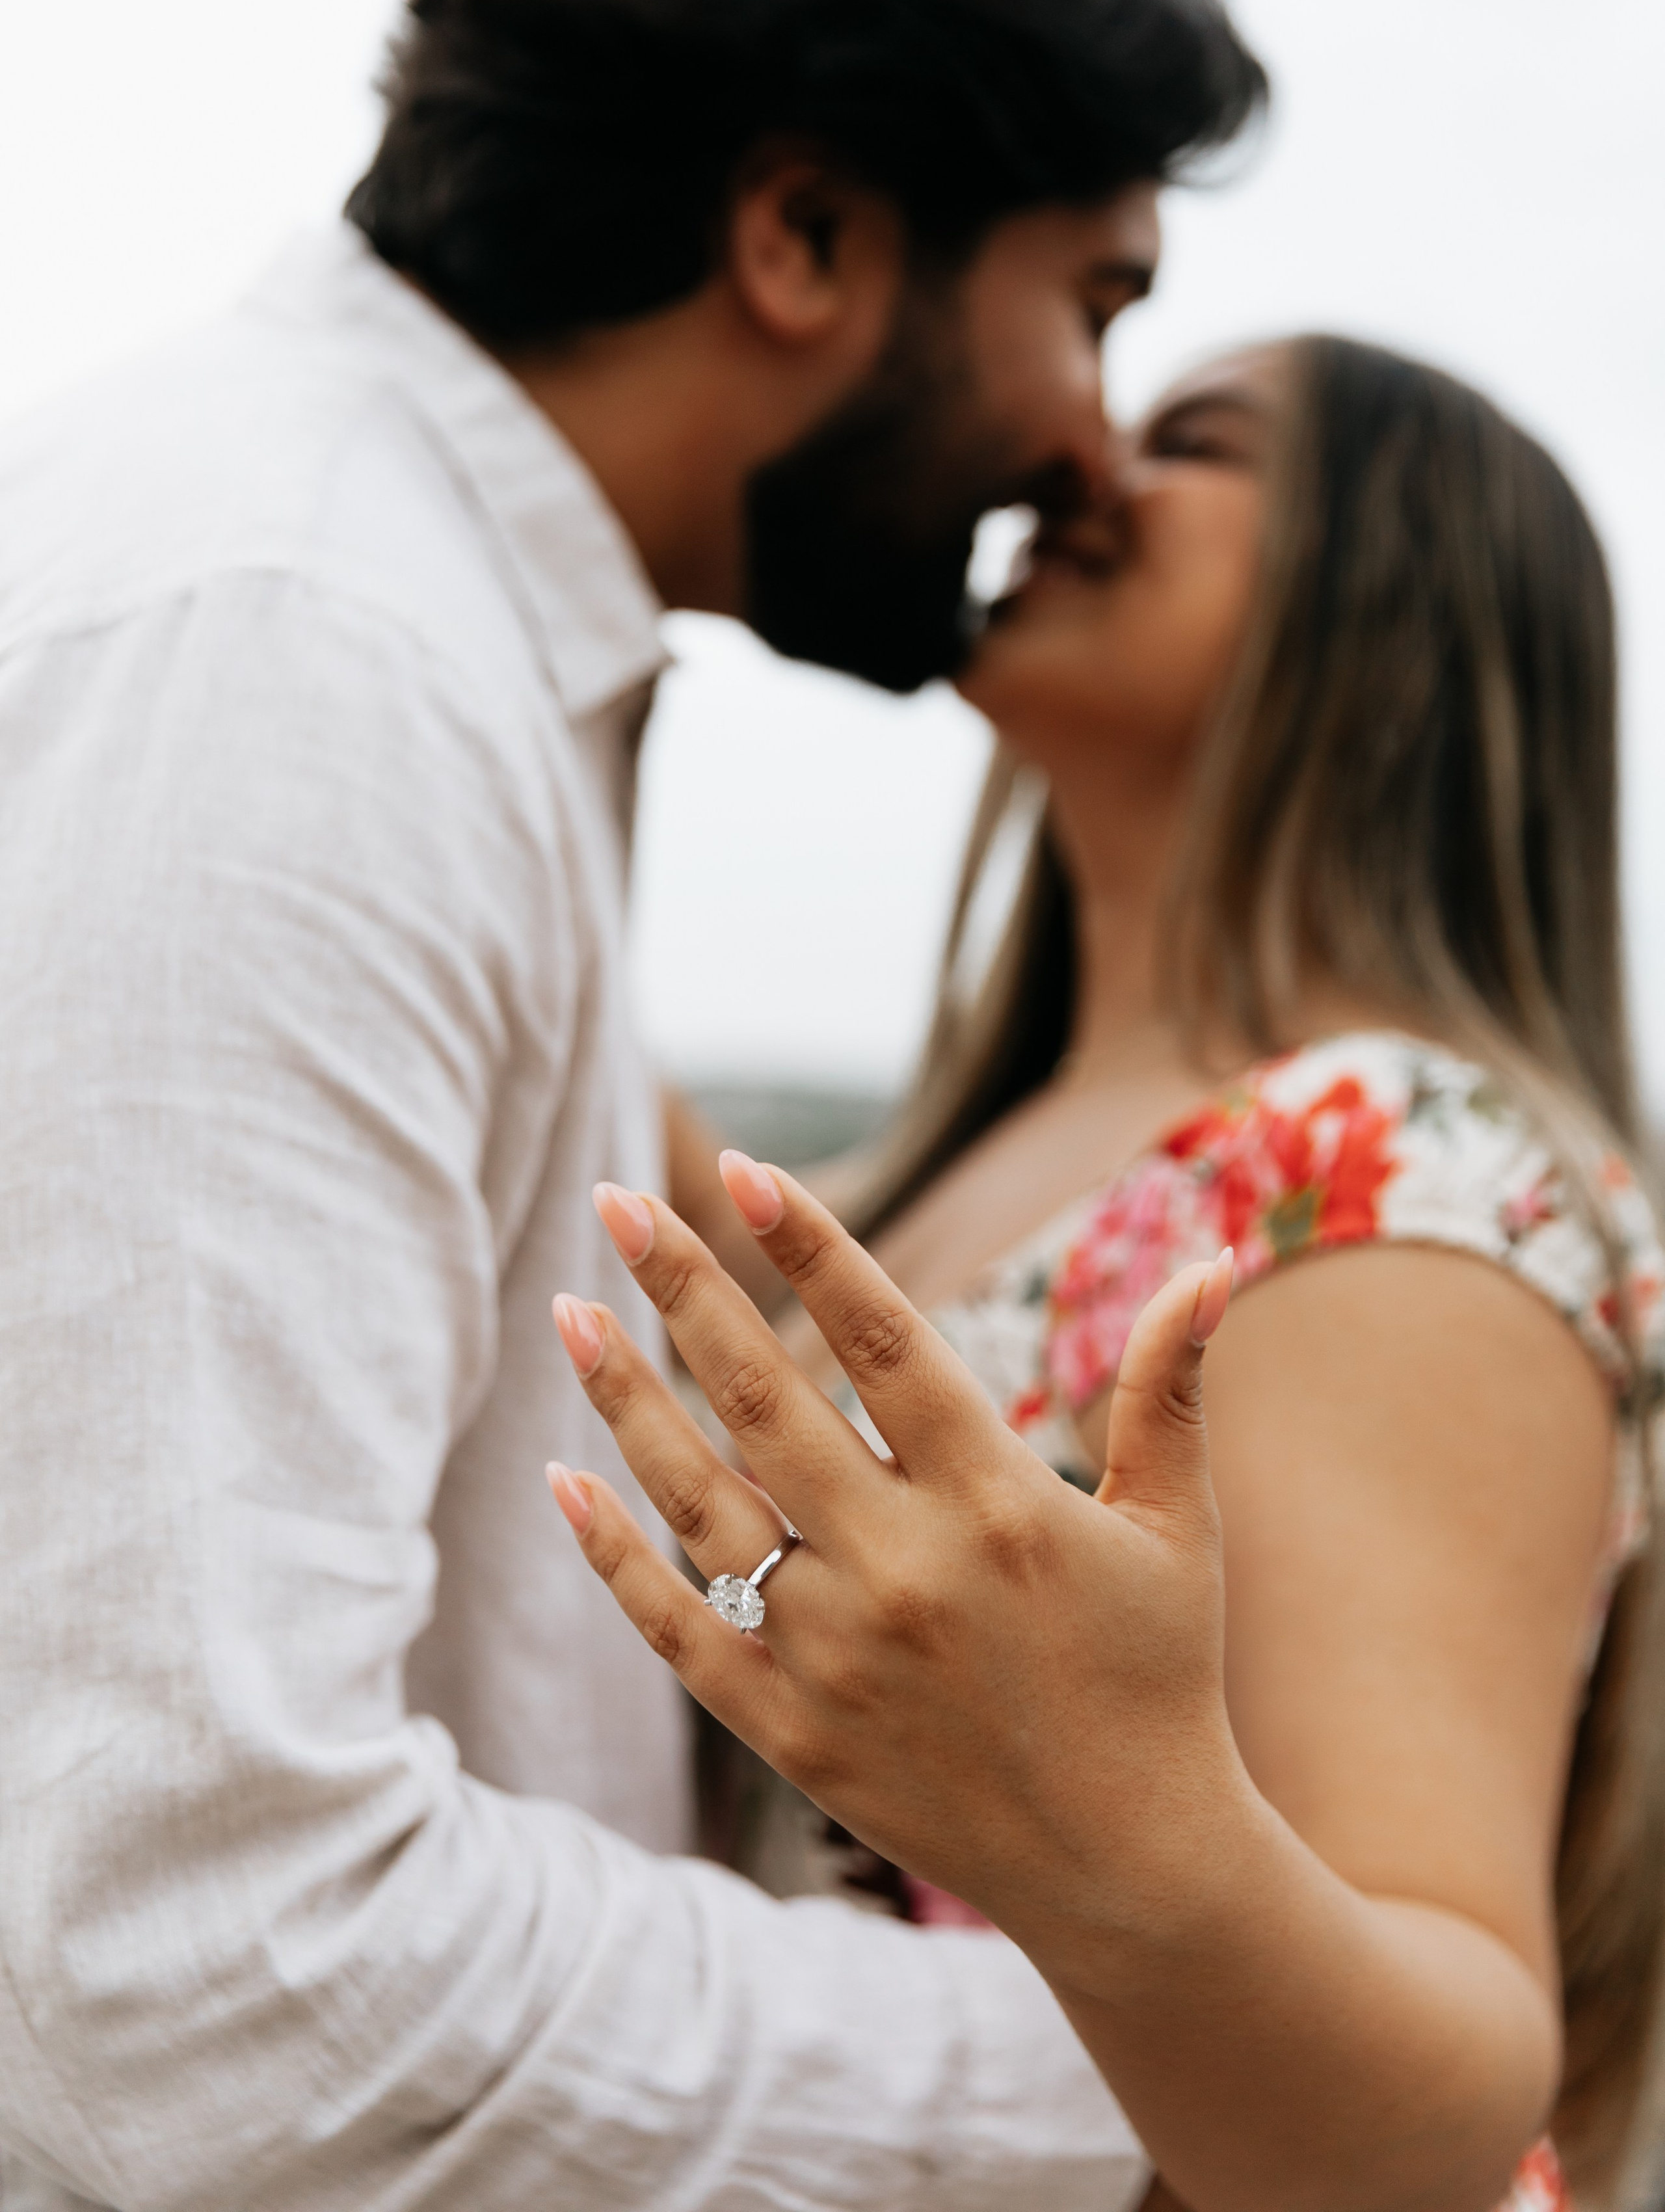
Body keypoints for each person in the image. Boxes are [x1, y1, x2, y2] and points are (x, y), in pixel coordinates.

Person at [0, 0, 1268, 2212]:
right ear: (802, 230)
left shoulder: (404, 629)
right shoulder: (301, 663)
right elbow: (194, 1969)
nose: (1091, 446)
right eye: (1092, 304)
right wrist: (1165, 2053)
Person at [548, 337, 1665, 2211]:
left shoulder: (1391, 1169)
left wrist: (1103, 1819)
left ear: (1397, 597)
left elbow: (1451, 2103)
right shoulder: (979, 1159)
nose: (1071, 462)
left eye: (1189, 445)